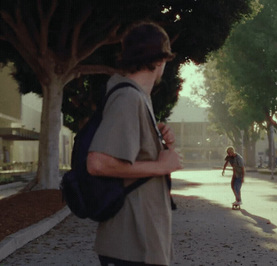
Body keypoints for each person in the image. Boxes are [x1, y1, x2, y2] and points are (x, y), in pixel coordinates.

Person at [86, 21, 183, 266]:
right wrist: (161, 166)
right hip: (131, 247)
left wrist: (159, 143)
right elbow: (97, 163)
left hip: (138, 245)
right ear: (161, 60)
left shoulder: (136, 97)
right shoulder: (128, 97)